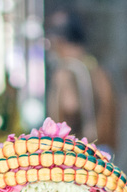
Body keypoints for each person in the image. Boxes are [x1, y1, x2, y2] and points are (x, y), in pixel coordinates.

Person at [45, 8, 118, 153]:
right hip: (102, 153)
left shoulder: (68, 71)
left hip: (79, 154)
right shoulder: (98, 70)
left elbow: (70, 106)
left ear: (60, 41)